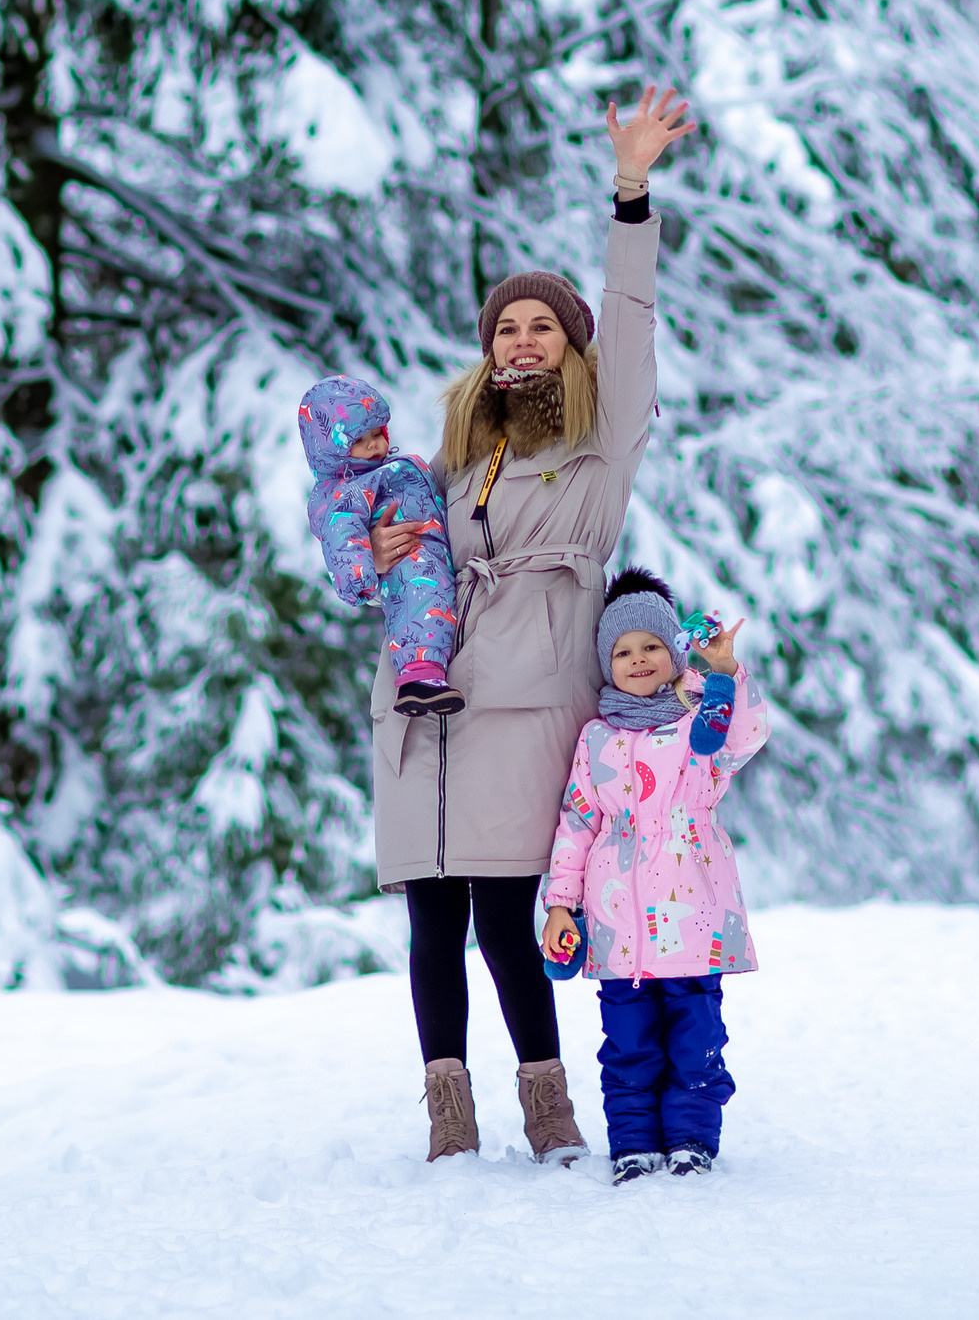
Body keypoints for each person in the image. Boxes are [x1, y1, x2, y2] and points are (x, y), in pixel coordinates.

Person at [366, 85, 697, 1163]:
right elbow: (406, 561)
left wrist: (630, 191)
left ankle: (548, 1117)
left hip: (522, 699)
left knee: (508, 919)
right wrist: (387, 559)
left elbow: (635, 325)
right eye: (505, 325)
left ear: (570, 346)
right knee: (430, 925)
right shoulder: (458, 455)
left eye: (539, 325)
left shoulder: (599, 445)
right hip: (426, 708)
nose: (519, 340)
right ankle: (447, 1127)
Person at [541, 570, 764, 1185]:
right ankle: (633, 1143)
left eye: (651, 647)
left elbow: (744, 737)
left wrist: (725, 673)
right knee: (629, 1044)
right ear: (606, 663)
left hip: (693, 921)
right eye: (622, 650)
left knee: (696, 1040)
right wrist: (561, 904)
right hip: (619, 928)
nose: (638, 660)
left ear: (672, 653)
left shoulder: (700, 719)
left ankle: (692, 1138)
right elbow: (577, 824)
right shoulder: (597, 738)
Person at [297, 376, 463, 717]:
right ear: (332, 449)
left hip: (435, 556)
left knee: (431, 604)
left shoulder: (395, 469)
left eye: (378, 435)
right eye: (359, 440)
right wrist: (362, 571)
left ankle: (424, 674)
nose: (374, 446)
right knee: (419, 607)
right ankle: (419, 675)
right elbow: (341, 534)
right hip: (409, 562)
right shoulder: (346, 490)